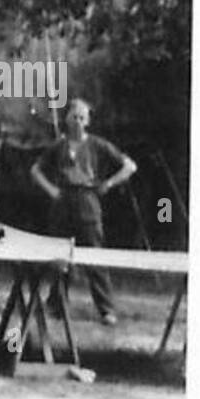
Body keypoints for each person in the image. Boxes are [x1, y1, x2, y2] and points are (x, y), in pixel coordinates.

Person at [30, 98, 136, 326]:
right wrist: (51, 190)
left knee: (94, 256)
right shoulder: (58, 146)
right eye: (73, 117)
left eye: (82, 117)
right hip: (62, 202)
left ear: (87, 121)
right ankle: (56, 305)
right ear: (67, 119)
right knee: (59, 256)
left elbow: (129, 166)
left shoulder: (98, 145)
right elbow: (36, 170)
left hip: (88, 201)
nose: (77, 122)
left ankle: (106, 309)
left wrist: (108, 184)